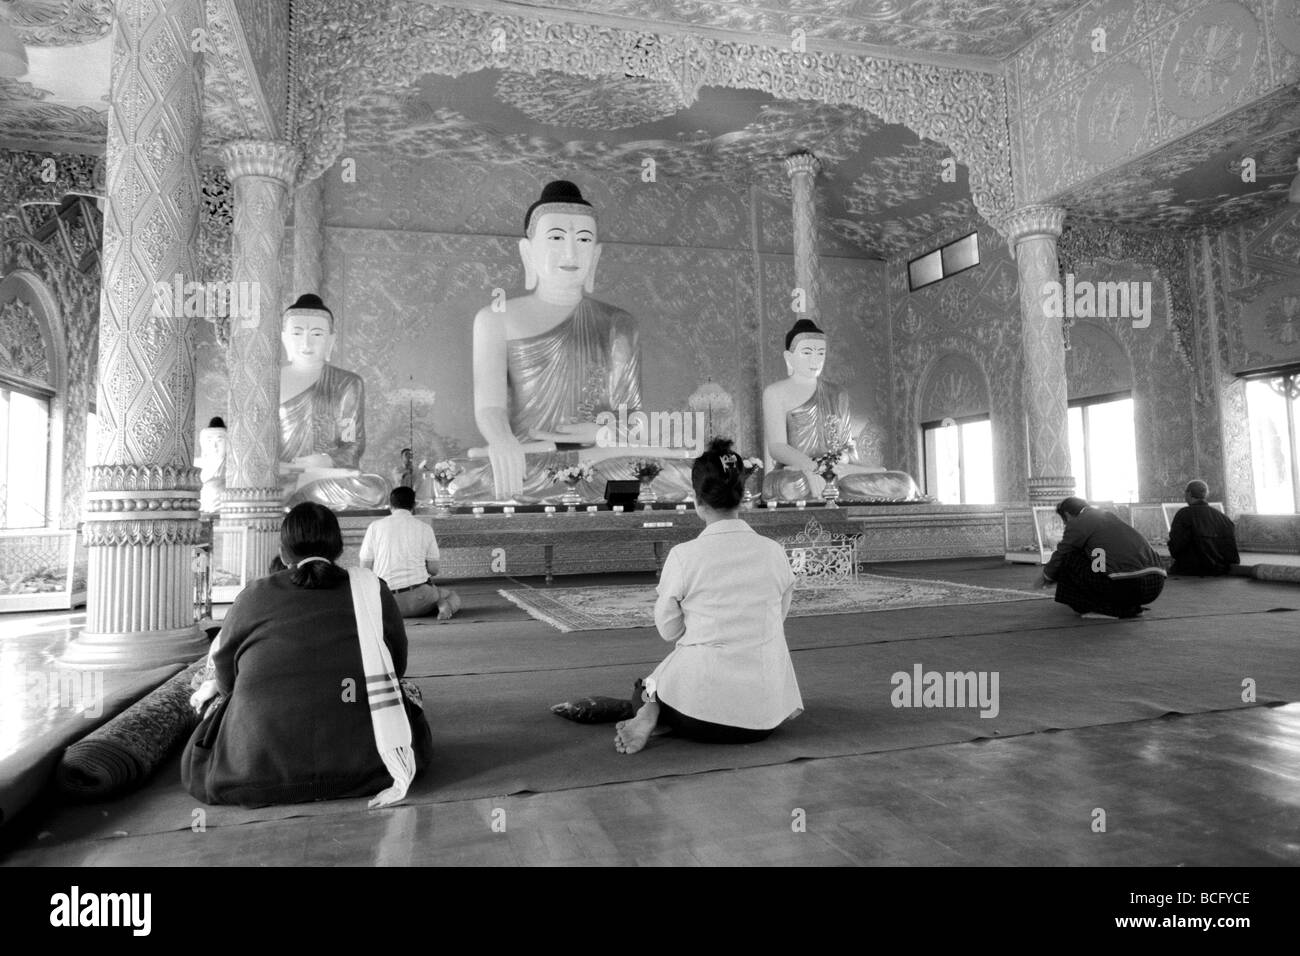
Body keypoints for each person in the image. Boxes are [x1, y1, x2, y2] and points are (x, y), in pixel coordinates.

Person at [450, 179, 694, 503]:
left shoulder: (619, 324)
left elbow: (630, 417)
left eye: (583, 239)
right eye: (555, 237)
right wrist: (502, 441)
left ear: (595, 255)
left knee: (679, 474)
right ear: (528, 250)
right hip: (530, 459)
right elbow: (490, 406)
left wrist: (601, 433)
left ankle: (577, 479)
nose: (570, 252)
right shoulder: (495, 318)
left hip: (600, 458)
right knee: (466, 479)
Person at [182, 502, 433, 807]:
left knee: (213, 709)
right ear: (339, 548)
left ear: (283, 551)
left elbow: (225, 676)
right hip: (369, 767)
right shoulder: (371, 589)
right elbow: (396, 665)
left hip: (249, 772)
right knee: (407, 700)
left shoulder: (253, 594)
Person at [614, 438, 804, 754]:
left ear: (697, 501)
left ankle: (650, 711)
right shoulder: (775, 553)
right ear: (742, 496)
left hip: (699, 714)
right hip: (767, 716)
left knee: (645, 688)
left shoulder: (684, 556)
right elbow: (776, 617)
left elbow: (668, 631)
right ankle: (655, 711)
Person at [762, 318, 922, 502]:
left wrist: (839, 464)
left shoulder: (837, 393)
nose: (815, 360)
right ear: (789, 357)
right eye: (807, 352)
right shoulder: (775, 392)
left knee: (903, 482)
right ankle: (829, 487)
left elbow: (847, 448)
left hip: (837, 473)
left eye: (821, 353)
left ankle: (832, 488)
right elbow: (777, 447)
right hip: (798, 473)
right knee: (786, 487)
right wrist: (811, 468)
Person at [278, 293, 389, 509]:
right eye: (298, 333)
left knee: (376, 490)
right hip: (283, 474)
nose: (306, 342)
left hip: (325, 476)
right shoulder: (271, 382)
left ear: (331, 340)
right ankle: (297, 487)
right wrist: (284, 468)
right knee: (228, 489)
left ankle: (299, 490)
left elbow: (351, 442)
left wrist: (327, 460)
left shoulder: (346, 383)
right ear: (285, 338)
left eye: (317, 334)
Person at [1041, 496, 1167, 619]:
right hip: (1155, 585)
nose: (1065, 525)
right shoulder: (1108, 517)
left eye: (1064, 521)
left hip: (1130, 584)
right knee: (1094, 558)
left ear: (1067, 515)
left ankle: (1107, 609)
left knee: (1069, 558)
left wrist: (1047, 576)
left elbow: (1063, 552)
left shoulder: (1080, 521)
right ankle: (1127, 606)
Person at [359, 486, 462, 621]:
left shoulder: (375, 527)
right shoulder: (425, 528)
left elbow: (364, 569)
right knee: (452, 596)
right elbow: (434, 569)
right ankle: (442, 604)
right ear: (414, 505)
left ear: (390, 505)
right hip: (419, 599)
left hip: (385, 602)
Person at [1168, 480, 1239, 576]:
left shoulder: (1184, 514)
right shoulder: (1223, 518)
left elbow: (1176, 545)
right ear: (1205, 495)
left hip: (1190, 569)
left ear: (1189, 493)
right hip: (1219, 569)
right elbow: (1232, 552)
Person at [195, 416, 227, 513]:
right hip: (201, 503)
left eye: (219, 440)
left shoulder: (231, 465)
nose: (214, 446)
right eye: (209, 440)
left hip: (223, 503)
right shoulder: (197, 463)